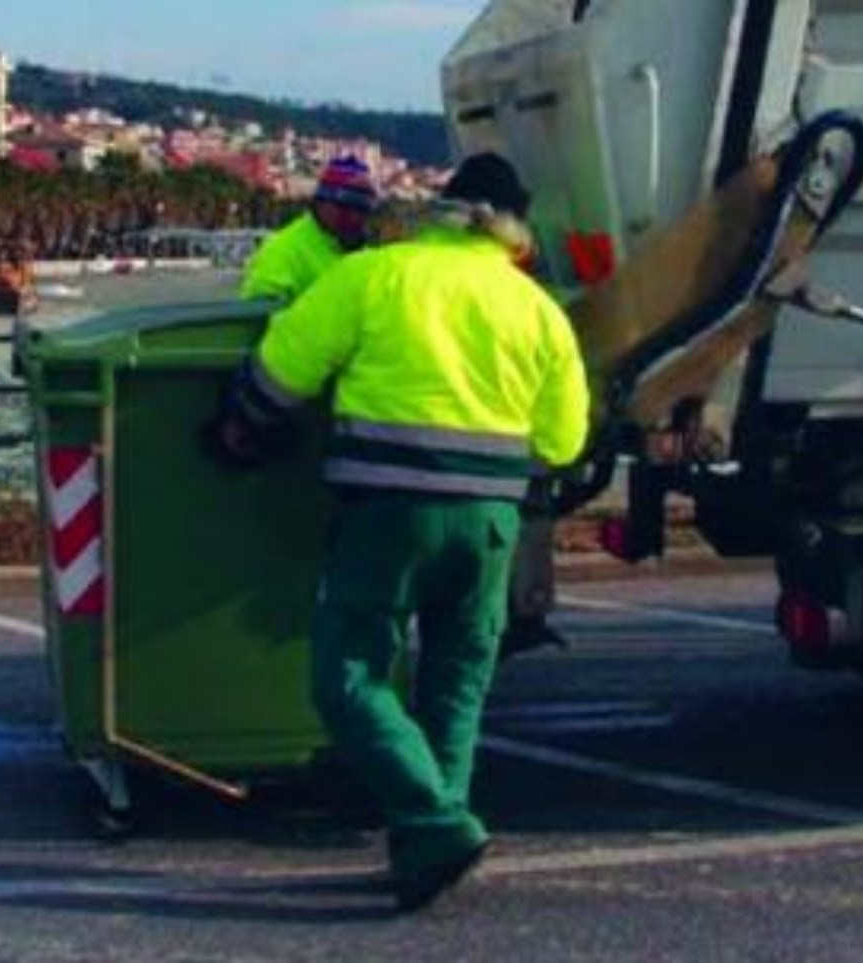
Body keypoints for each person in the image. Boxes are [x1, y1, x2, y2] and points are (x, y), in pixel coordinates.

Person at [213, 153, 590, 912]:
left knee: (347, 674)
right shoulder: (536, 308)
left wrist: (239, 429)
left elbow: (281, 370)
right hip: (488, 523)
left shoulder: (376, 275)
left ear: (442, 212)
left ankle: (433, 821)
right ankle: (428, 839)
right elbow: (562, 442)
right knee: (456, 679)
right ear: (511, 230)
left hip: (385, 512)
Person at [240, 155, 378, 303]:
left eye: (363, 210)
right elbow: (258, 314)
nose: (356, 217)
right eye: (348, 207)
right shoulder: (284, 252)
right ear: (323, 203)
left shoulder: (364, 253)